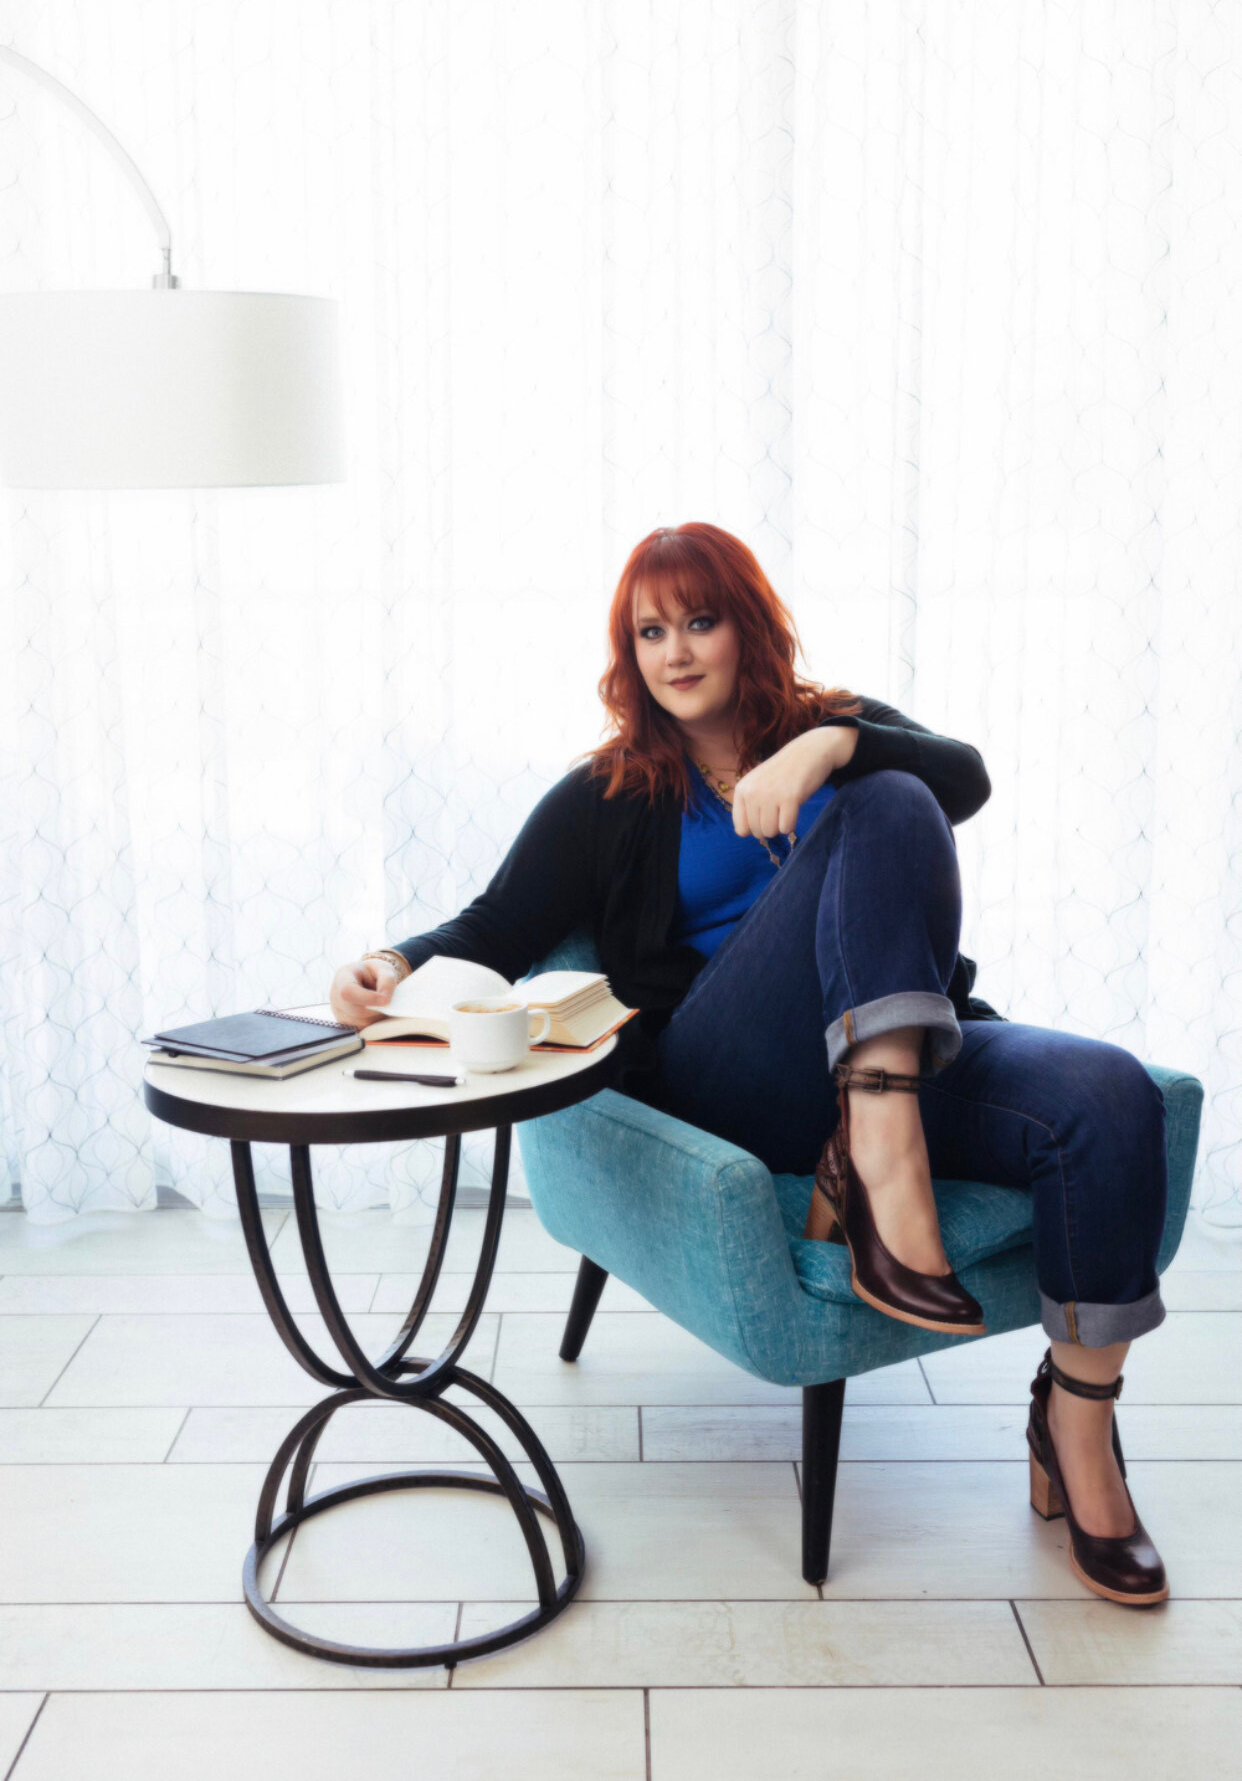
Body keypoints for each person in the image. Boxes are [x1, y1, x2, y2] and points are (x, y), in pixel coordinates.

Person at [330, 521, 1170, 1607]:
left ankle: (1076, 1430)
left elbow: (966, 777)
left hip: (904, 1048)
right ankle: (874, 1146)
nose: (675, 651)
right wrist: (392, 960)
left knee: (1108, 1094)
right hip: (742, 1077)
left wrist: (828, 745)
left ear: (748, 628)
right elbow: (496, 922)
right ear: (628, 655)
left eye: (700, 620)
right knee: (892, 794)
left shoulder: (835, 730)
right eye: (649, 632)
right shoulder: (612, 792)